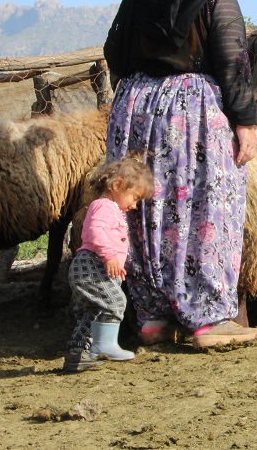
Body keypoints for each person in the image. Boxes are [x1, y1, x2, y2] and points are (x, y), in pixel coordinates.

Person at [103, 0, 257, 349]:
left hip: (134, 108)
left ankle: (152, 317)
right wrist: (245, 121)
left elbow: (114, 51)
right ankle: (207, 318)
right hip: (190, 113)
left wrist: (142, 85)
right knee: (205, 206)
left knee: (145, 209)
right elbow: (234, 60)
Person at [64, 157, 155, 373]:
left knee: (92, 312)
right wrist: (109, 257)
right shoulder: (104, 206)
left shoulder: (109, 208)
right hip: (91, 265)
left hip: (90, 267)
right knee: (115, 301)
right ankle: (105, 345)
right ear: (117, 185)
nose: (134, 205)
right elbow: (95, 232)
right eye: (134, 198)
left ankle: (77, 355)